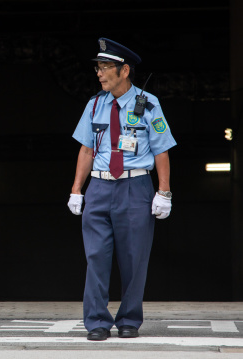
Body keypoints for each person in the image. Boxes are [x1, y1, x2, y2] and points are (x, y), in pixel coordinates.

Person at [67, 38, 176, 341]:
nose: (100, 74)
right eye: (98, 68)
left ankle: (129, 319)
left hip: (136, 186)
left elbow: (162, 150)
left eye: (105, 68)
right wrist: (77, 190)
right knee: (96, 257)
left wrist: (163, 192)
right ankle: (97, 322)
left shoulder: (148, 103)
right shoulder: (93, 105)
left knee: (134, 257)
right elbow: (86, 150)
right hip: (100, 187)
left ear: (124, 70)